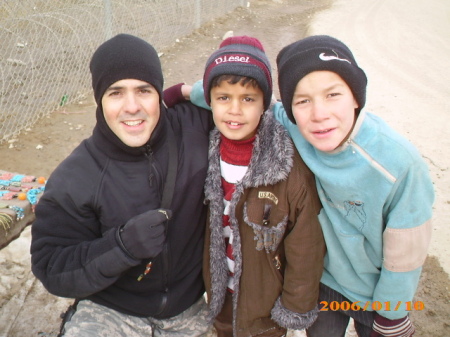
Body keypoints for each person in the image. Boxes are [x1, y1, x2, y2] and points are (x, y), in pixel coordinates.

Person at [30, 33, 215, 336]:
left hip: (190, 309)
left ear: (158, 94)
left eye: (143, 90)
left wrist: (188, 90)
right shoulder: (76, 177)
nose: (132, 107)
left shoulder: (194, 129)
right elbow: (52, 267)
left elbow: (241, 102)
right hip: (111, 312)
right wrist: (120, 247)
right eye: (116, 93)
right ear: (99, 100)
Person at [270, 35, 434, 337]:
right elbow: (250, 97)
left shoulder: (397, 164)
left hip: (374, 297)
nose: (319, 114)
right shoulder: (296, 128)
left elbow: (407, 251)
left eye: (333, 95)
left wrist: (392, 314)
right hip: (325, 285)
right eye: (303, 100)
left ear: (357, 96)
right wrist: (186, 91)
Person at [166, 35, 325, 337]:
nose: (235, 109)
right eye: (223, 98)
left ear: (265, 102)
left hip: (266, 307)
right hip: (219, 297)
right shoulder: (204, 153)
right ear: (209, 100)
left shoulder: (286, 166)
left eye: (248, 99)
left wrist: (294, 307)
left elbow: (306, 246)